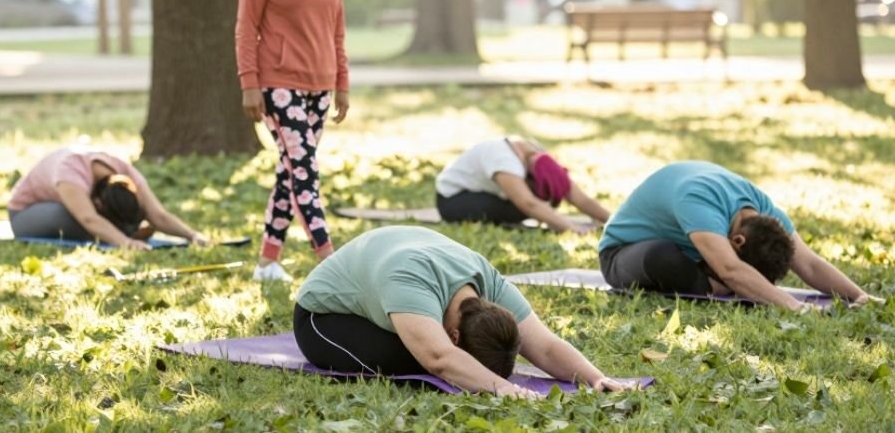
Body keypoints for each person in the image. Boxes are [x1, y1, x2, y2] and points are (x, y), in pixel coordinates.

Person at [294, 226, 625, 397]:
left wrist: (595, 378)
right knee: (418, 359)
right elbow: (440, 358)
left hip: (389, 278)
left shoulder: (488, 282)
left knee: (443, 361)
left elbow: (546, 346)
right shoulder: (411, 283)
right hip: (322, 317)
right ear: (454, 336)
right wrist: (504, 389)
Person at [235, 0, 349, 282]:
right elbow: (246, 25)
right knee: (304, 169)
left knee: (291, 168)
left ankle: (268, 261)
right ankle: (329, 261)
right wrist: (249, 83)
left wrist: (342, 83)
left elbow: (337, 26)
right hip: (278, 84)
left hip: (320, 84)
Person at [599, 161, 883, 310]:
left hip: (691, 253)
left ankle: (709, 280)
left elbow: (809, 264)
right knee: (662, 256)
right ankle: (712, 286)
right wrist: (794, 307)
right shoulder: (700, 203)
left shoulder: (765, 211)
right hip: (622, 255)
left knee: (684, 258)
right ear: (737, 241)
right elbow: (731, 270)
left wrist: (860, 296)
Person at [8, 145, 209, 249]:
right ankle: (122, 231)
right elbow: (89, 218)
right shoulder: (70, 172)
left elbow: (157, 214)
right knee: (72, 217)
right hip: (25, 215)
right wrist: (125, 242)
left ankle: (121, 229)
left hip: (84, 208)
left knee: (96, 225)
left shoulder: (125, 174)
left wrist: (192, 235)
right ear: (97, 202)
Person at [435, 137, 609, 233]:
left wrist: (612, 220)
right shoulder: (505, 161)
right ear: (529, 178)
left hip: (483, 192)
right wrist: (574, 229)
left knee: (539, 209)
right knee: (521, 209)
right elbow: (529, 204)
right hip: (452, 199)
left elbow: (579, 198)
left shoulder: (537, 153)